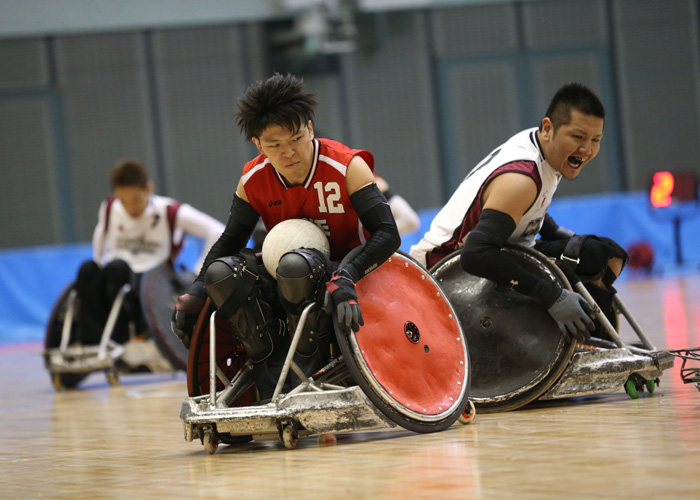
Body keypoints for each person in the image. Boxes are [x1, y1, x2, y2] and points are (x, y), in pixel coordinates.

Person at [171, 73, 400, 400]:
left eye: (295, 139)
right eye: (275, 145)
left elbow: (388, 234)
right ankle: (268, 364)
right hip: (288, 274)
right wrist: (195, 291)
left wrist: (347, 274)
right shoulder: (252, 178)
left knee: (296, 265)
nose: (288, 152)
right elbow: (228, 242)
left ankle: (303, 368)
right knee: (222, 273)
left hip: (348, 272)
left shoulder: (348, 167)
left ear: (309, 127)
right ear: (258, 144)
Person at [410, 82, 628, 341]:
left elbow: (527, 207)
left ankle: (594, 338)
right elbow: (475, 254)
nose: (587, 149)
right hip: (445, 271)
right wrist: (552, 296)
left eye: (596, 140)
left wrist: (556, 232)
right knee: (586, 261)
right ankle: (590, 340)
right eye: (578, 137)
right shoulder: (521, 179)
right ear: (548, 128)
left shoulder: (547, 149)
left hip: (502, 252)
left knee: (604, 255)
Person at [75, 159, 224, 345]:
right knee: (87, 269)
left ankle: (122, 338)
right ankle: (91, 340)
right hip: (117, 271)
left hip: (153, 276)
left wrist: (199, 271)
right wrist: (98, 261)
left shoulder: (169, 210)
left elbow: (217, 231)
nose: (130, 207)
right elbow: (100, 232)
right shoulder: (109, 206)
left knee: (117, 269)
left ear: (149, 188)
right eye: (123, 200)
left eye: (136, 199)